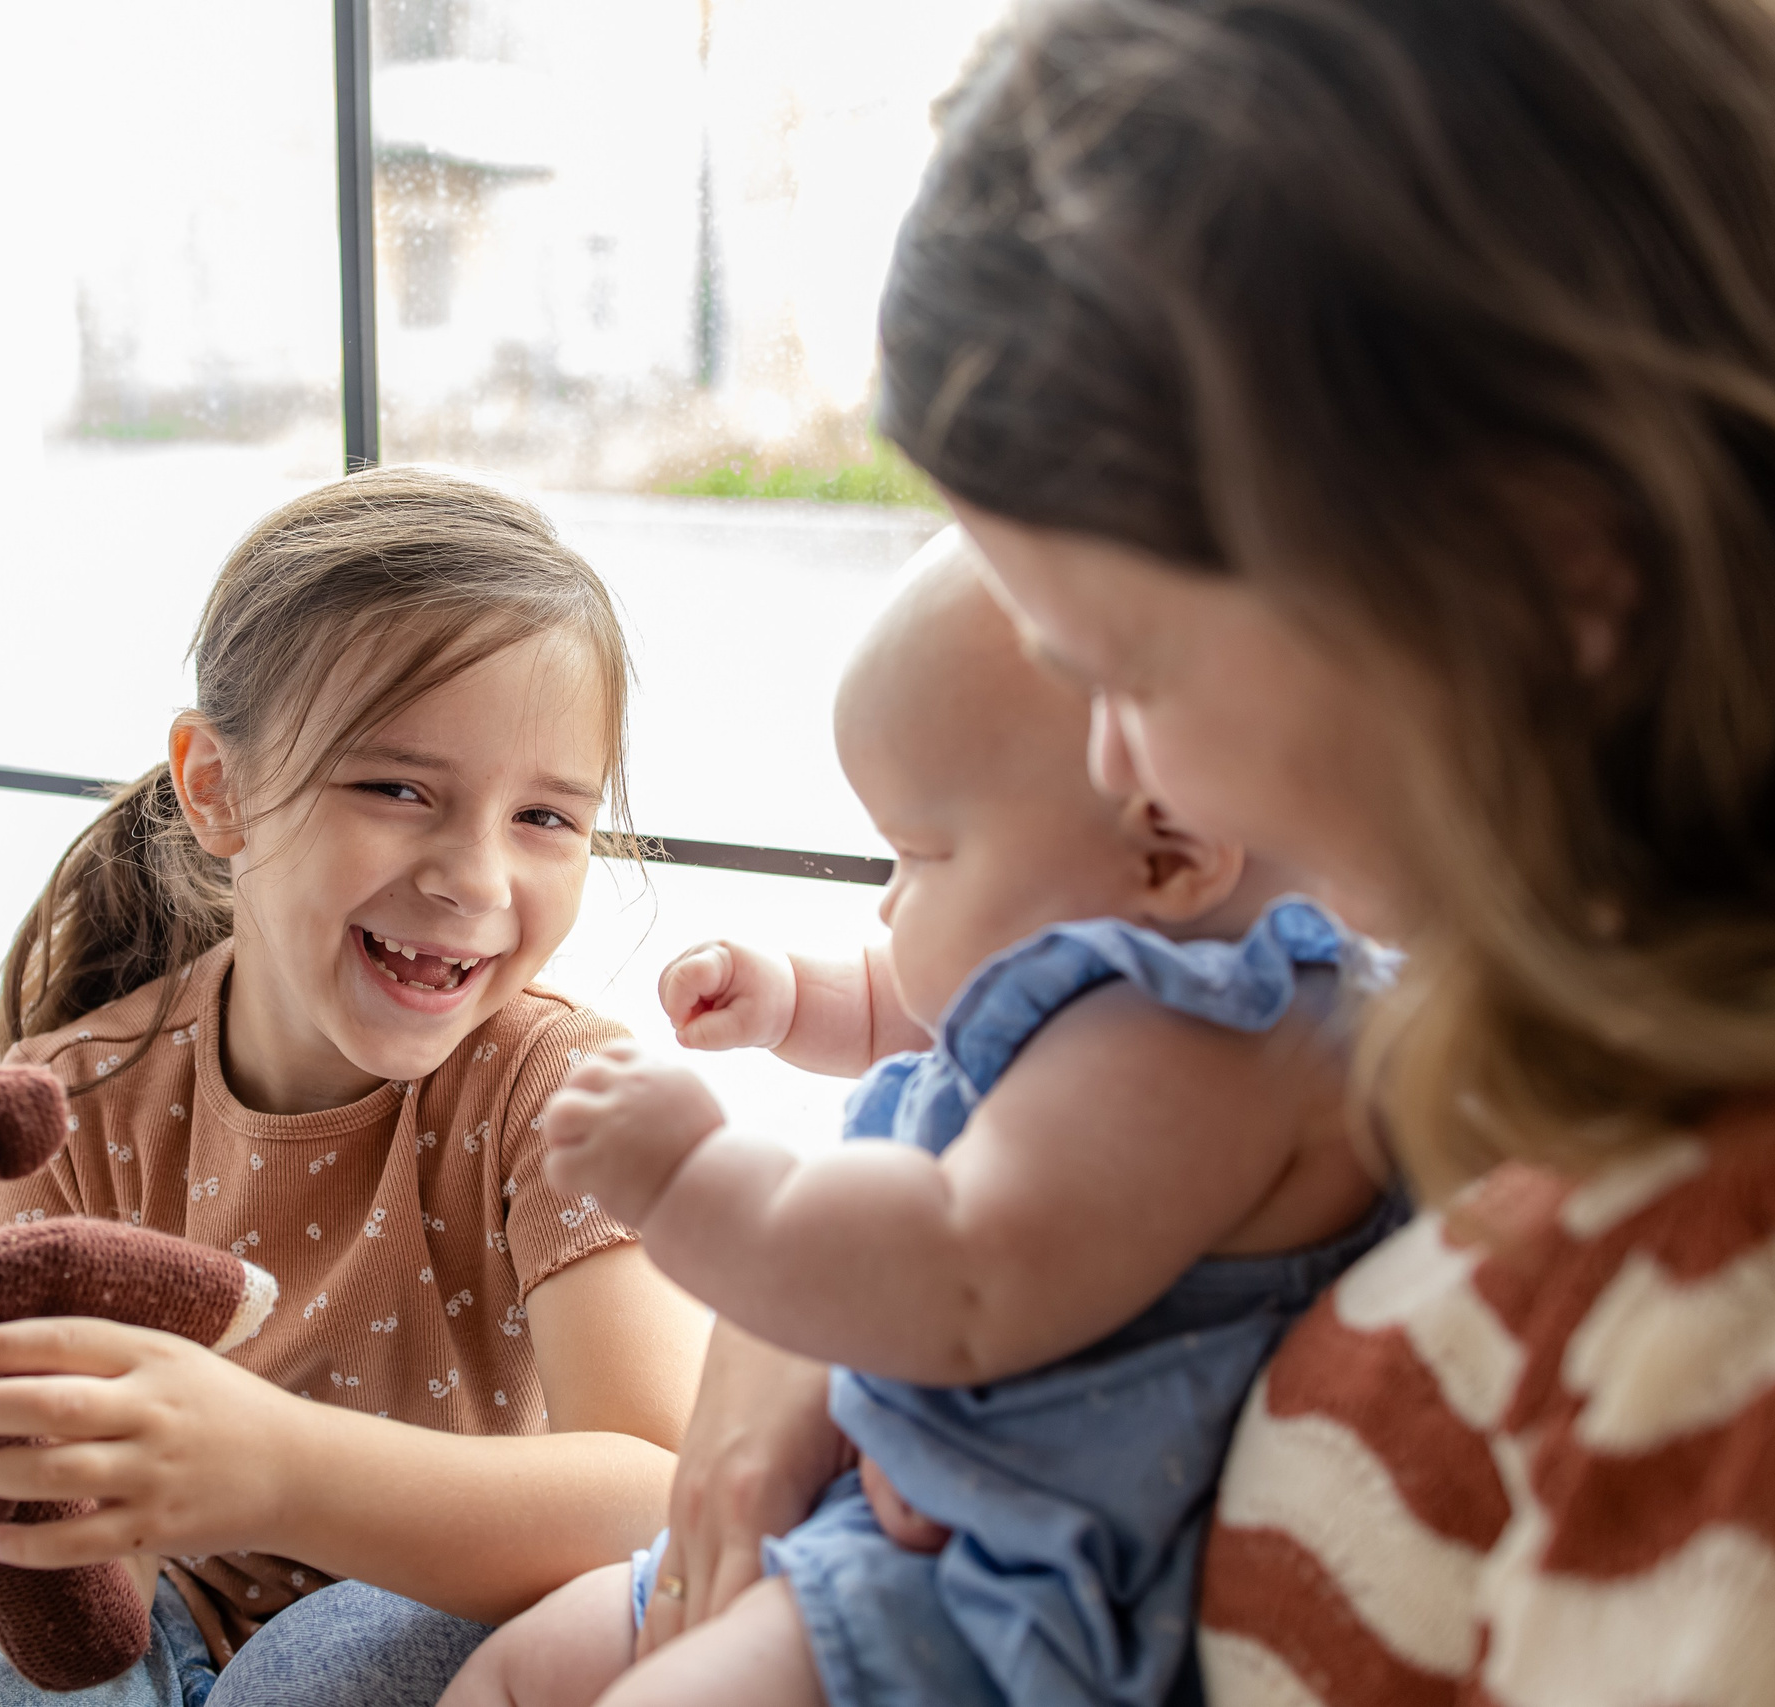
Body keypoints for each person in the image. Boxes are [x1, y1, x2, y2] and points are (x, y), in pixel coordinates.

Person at [848, 1, 1775, 1701]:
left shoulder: (1707, 1342)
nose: (1119, 764)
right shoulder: (1501, 1032)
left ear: (1544, 568)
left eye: (1126, 670)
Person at [0, 467, 710, 1706]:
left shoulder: (564, 1093)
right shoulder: (66, 1099)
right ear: (214, 787)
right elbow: (59, 1594)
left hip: (473, 1637)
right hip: (166, 1640)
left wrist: (281, 1470)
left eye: (546, 816)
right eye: (396, 788)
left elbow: (667, 1499)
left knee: (330, 1661)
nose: (475, 878)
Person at [439, 536, 1394, 1707]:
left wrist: (693, 1180)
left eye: (920, 854)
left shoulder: (1192, 1054)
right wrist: (795, 995)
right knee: (520, 1670)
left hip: (982, 1577)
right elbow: (926, 1002)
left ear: (1169, 852)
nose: (889, 903)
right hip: (882, 1511)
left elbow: (951, 1273)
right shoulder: (1120, 973)